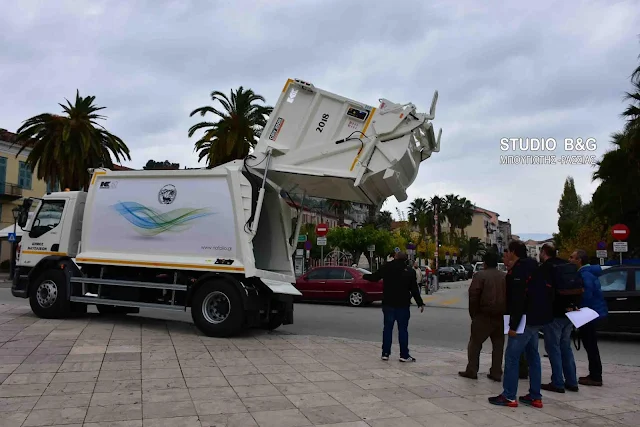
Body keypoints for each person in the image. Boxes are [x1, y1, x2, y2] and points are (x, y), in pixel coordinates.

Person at [489, 240, 553, 409]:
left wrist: (513, 326)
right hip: (539, 318)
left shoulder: (518, 271)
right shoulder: (535, 266)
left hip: (525, 320)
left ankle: (509, 396)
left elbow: (518, 300)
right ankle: (535, 396)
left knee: (511, 356)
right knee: (533, 356)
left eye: (507, 251)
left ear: (513, 252)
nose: (506, 255)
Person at [362, 251, 425, 362]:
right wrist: (420, 303)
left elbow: (375, 277)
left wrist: (363, 276)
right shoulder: (410, 271)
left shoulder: (387, 267)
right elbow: (414, 289)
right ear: (406, 260)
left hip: (388, 303)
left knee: (387, 329)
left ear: (395, 257)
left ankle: (385, 353)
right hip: (403, 305)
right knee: (403, 330)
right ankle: (404, 355)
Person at [459, 251, 506, 382]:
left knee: (475, 343)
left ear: (484, 263)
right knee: (498, 345)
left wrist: (474, 314)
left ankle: (472, 370)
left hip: (483, 314)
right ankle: (496, 372)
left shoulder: (480, 276)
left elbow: (473, 296)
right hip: (500, 315)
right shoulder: (504, 276)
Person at [539, 243, 580, 393]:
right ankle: (572, 381)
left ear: (543, 252)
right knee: (566, 347)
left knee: (553, 348)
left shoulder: (545, 268)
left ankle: (557, 382)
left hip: (553, 314)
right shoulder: (567, 265)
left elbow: (541, 292)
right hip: (570, 312)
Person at [569, 249, 608, 387]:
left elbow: (586, 294)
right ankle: (594, 374)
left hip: (588, 315)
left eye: (572, 257)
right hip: (594, 312)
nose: (570, 259)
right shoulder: (590, 273)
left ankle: (596, 376)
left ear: (579, 260)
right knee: (591, 345)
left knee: (590, 345)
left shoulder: (585, 275)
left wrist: (577, 307)